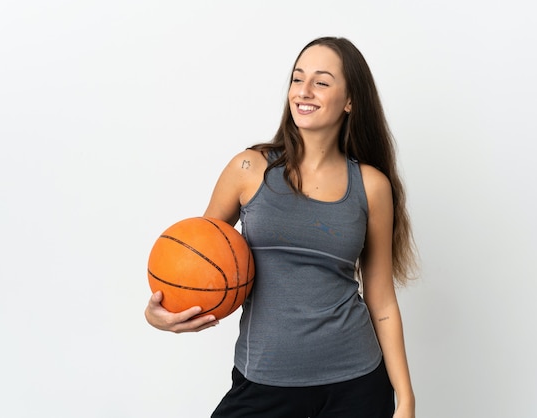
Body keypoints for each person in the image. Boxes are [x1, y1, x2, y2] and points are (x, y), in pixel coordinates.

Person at [145, 36, 417, 418]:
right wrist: (159, 312)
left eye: (321, 82)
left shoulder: (372, 186)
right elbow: (197, 256)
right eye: (296, 78)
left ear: (351, 99)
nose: (304, 91)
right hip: (265, 381)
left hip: (357, 382)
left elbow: (381, 299)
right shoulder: (248, 168)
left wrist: (405, 398)